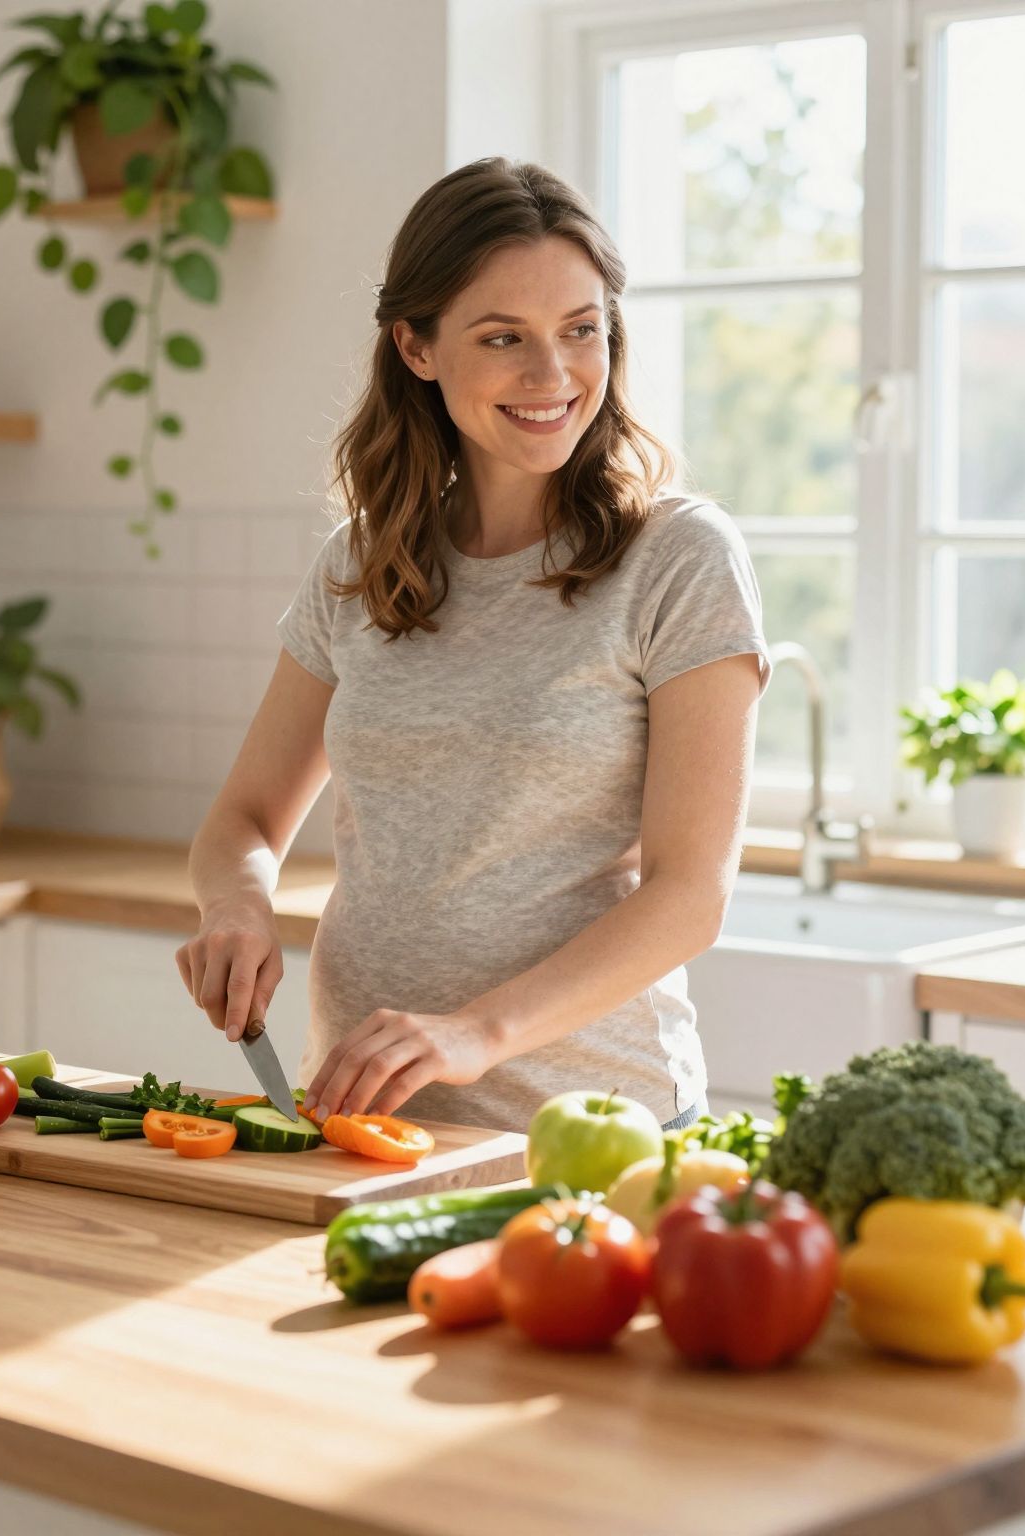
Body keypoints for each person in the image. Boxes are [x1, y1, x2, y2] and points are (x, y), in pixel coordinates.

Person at [175, 156, 771, 1133]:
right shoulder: (361, 564)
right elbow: (242, 818)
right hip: (366, 1122)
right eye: (503, 338)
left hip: (591, 1132)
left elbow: (687, 896)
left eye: (581, 331)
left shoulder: (677, 558)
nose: (553, 376)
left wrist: (474, 1033)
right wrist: (235, 906)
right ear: (415, 347)